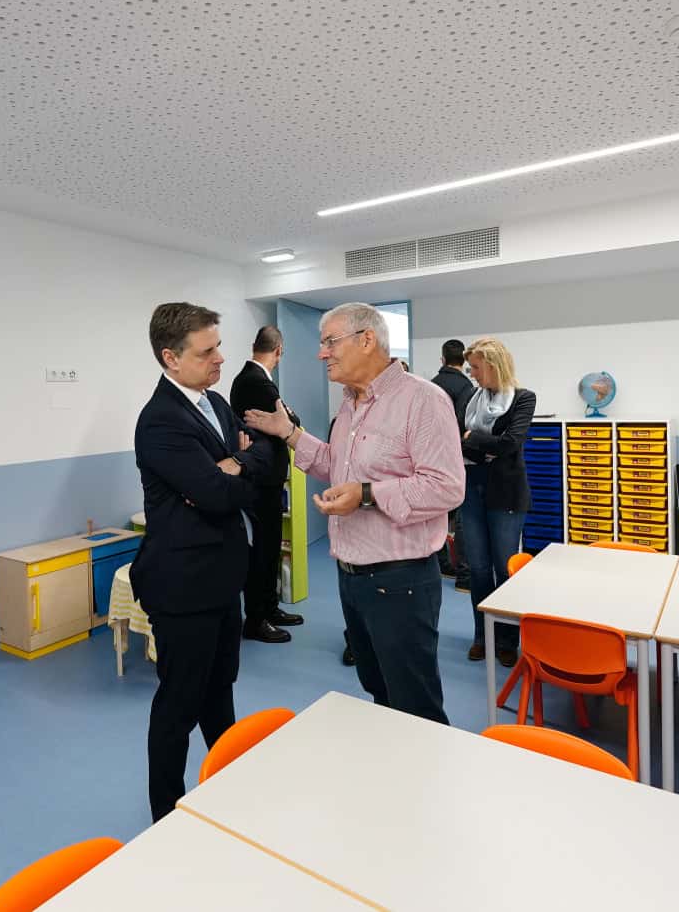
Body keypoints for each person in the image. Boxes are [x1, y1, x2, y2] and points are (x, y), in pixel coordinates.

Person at [245, 303, 464, 724]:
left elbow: (447, 487)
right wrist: (289, 433)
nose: (321, 353)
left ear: (367, 340)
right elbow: (335, 465)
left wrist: (366, 494)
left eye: (329, 341)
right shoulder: (350, 404)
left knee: (414, 704)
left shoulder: (423, 400)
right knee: (379, 690)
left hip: (400, 581)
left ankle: (426, 783)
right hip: (352, 577)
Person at [130, 302, 273, 822]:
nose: (220, 358)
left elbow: (263, 459)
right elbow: (215, 494)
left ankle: (226, 788)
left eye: (218, 345)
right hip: (182, 584)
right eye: (207, 350)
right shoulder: (161, 420)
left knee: (219, 693)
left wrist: (235, 464)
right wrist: (229, 474)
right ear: (170, 357)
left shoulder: (214, 402)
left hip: (220, 578)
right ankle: (165, 813)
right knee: (179, 704)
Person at [457, 337, 536, 666]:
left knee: (504, 569)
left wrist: (474, 439)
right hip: (471, 487)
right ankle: (481, 636)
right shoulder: (470, 397)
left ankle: (506, 640)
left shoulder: (523, 398)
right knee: (477, 569)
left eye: (476, 367)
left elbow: (510, 443)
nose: (472, 374)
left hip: (505, 493)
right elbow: (457, 442)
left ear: (493, 365)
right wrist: (483, 446)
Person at [229, 326, 306, 644]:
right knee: (262, 549)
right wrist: (290, 419)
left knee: (270, 546)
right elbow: (291, 422)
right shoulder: (256, 381)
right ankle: (256, 619)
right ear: (279, 351)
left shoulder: (246, 379)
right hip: (261, 478)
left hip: (264, 477)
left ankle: (269, 608)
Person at [431, 339, 476, 592]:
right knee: (462, 518)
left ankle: (441, 564)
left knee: (436, 513)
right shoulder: (466, 387)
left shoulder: (430, 385)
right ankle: (465, 577)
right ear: (465, 360)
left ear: (442, 359)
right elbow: (464, 426)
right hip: (457, 458)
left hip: (431, 459)